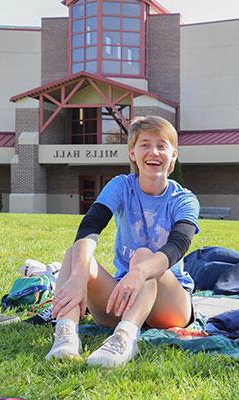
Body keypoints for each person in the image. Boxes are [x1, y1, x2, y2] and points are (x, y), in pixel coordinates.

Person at [47, 116, 199, 367]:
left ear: (173, 155)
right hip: (123, 297)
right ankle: (66, 334)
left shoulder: (184, 199)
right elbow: (90, 226)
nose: (154, 152)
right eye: (145, 145)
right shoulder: (120, 186)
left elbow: (178, 245)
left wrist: (139, 271)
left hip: (171, 306)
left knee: (142, 256)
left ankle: (125, 338)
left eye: (162, 146)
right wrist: (77, 278)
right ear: (132, 153)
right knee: (75, 254)